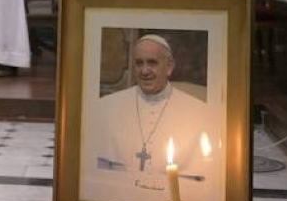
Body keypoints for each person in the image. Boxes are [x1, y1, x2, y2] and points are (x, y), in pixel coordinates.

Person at [88, 35, 212, 192]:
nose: (144, 71)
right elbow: (99, 174)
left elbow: (200, 180)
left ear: (169, 67)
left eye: (152, 63)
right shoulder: (107, 106)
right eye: (139, 63)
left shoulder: (198, 112)